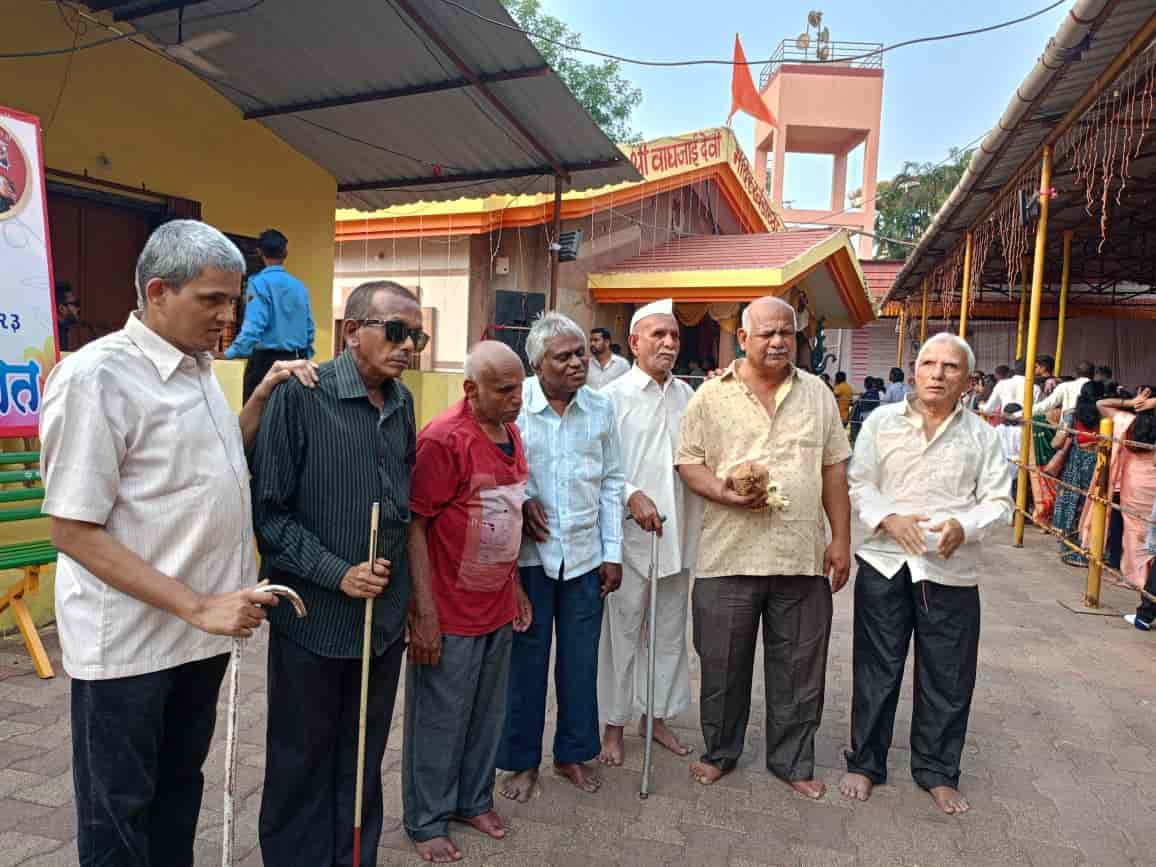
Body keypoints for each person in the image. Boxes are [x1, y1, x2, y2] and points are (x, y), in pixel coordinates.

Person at [40, 220, 317, 867]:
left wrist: (262, 397)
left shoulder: (196, 368)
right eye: (213, 300)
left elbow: (214, 461)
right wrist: (196, 604)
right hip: (132, 647)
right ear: (158, 291)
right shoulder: (97, 377)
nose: (229, 316)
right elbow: (72, 529)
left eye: (235, 300)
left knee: (177, 799)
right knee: (120, 817)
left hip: (199, 638)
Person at [250, 280, 424, 866]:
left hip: (382, 622)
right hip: (314, 618)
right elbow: (268, 514)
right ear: (352, 332)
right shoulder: (301, 396)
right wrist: (337, 572)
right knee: (302, 758)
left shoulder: (402, 402)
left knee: (363, 756)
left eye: (416, 336)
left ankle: (355, 857)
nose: (408, 347)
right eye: (396, 332)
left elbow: (402, 504)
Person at [675, 295, 852, 799]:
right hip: (727, 555)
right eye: (768, 334)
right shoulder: (710, 397)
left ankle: (793, 761)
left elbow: (833, 469)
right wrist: (723, 492)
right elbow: (689, 462)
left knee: (800, 669)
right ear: (744, 338)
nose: (779, 342)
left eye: (788, 334)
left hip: (801, 557)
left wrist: (840, 538)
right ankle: (720, 752)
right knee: (721, 666)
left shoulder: (818, 394)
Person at [841, 333, 1012, 815]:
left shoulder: (981, 434)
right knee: (877, 667)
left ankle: (937, 770)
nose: (937, 374)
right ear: (914, 371)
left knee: (949, 674)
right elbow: (860, 481)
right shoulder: (880, 422)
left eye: (950, 367)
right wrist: (885, 518)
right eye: (928, 364)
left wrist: (968, 525)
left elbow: (999, 501)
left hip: (950, 569)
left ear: (969, 381)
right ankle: (865, 761)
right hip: (885, 560)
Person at [403, 341, 533, 862]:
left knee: (485, 715)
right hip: (450, 610)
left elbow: (508, 515)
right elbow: (414, 525)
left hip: (496, 605)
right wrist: (424, 614)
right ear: (470, 389)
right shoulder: (442, 440)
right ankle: (427, 820)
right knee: (439, 719)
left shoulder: (512, 433)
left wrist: (516, 587)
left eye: (519, 388)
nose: (516, 399)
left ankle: (472, 800)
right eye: (504, 390)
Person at [498, 312, 624, 802]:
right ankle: (521, 761)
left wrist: (611, 552)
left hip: (586, 557)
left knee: (579, 661)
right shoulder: (515, 407)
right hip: (528, 559)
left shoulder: (600, 408)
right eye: (564, 356)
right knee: (525, 663)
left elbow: (613, 481)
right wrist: (521, 498)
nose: (578, 363)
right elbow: (496, 470)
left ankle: (572, 753)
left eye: (582, 354)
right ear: (537, 363)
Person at [597, 300, 701, 768]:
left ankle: (656, 719)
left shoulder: (689, 398)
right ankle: (613, 725)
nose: (668, 343)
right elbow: (600, 465)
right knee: (621, 633)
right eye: (658, 334)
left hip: (679, 535)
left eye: (674, 336)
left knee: (669, 634)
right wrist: (632, 493)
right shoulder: (610, 397)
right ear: (634, 341)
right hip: (627, 540)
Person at [224, 228, 316, 403]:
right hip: (294, 362)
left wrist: (231, 353)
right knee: (288, 420)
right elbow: (309, 327)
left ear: (259, 252)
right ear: (285, 253)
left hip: (265, 365)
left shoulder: (258, 283)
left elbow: (254, 326)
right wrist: (304, 358)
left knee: (257, 422)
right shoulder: (299, 287)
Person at [1094, 390, 1156, 614]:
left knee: (1134, 529)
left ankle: (1136, 576)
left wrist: (1131, 403)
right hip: (1153, 485)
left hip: (1134, 482)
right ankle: (1150, 582)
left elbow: (1101, 403)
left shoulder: (1129, 422)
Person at [1052, 381, 1105, 567]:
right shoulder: (1105, 416)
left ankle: (1069, 549)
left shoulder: (1071, 415)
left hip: (1075, 462)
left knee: (1072, 504)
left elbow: (1057, 443)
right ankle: (1089, 549)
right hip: (1097, 464)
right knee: (1090, 506)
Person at [54, 282, 96, 351]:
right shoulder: (54, 334)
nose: (78, 309)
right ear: (61, 308)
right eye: (75, 304)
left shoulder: (63, 330)